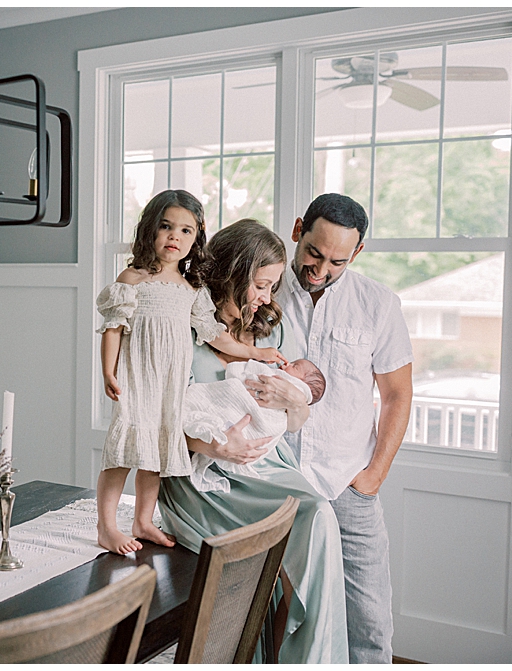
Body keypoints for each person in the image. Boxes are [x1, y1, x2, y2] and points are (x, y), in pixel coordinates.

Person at [158, 219, 348, 663]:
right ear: (231, 273)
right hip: (203, 477)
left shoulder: (272, 328)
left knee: (318, 516)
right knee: (304, 525)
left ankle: (313, 659)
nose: (268, 297)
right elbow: (158, 418)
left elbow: (296, 417)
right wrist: (214, 446)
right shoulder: (181, 327)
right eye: (261, 284)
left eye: (273, 285)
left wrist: (291, 399)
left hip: (268, 467)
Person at [95, 190, 285, 556]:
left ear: (196, 238)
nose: (174, 237)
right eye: (166, 227)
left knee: (155, 456)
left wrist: (256, 352)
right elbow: (113, 327)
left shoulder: (191, 290)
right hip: (138, 380)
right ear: (150, 229)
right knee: (122, 454)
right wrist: (108, 371)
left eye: (186, 231)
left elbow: (217, 337)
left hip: (171, 385)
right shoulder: (133, 279)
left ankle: (143, 520)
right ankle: (106, 526)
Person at [275, 193, 413, 663]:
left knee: (369, 618)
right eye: (314, 252)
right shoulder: (259, 290)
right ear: (298, 230)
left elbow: (397, 394)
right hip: (272, 480)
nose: (321, 268)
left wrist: (374, 475)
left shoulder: (378, 304)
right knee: (264, 608)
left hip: (347, 482)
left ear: (356, 254)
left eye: (337, 260)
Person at [182, 358, 326, 494]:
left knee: (311, 504)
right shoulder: (272, 365)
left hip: (262, 450)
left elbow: (293, 426)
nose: (285, 364)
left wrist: (298, 401)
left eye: (294, 366)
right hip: (215, 444)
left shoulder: (278, 353)